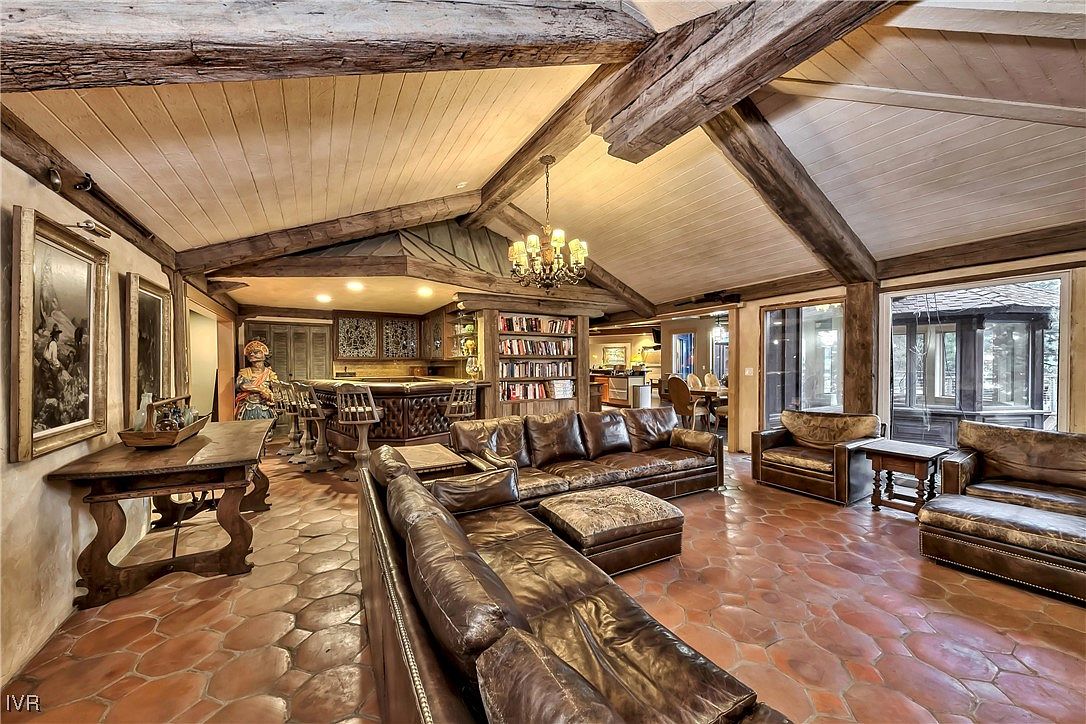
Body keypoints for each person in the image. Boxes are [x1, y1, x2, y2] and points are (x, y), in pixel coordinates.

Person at [234, 340, 279, 423]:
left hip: (265, 407)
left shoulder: (270, 374)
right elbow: (243, 386)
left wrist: (270, 396)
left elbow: (277, 391)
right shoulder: (245, 372)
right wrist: (261, 390)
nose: (252, 354)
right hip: (249, 406)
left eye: (256, 352)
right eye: (250, 353)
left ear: (265, 355)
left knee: (267, 432)